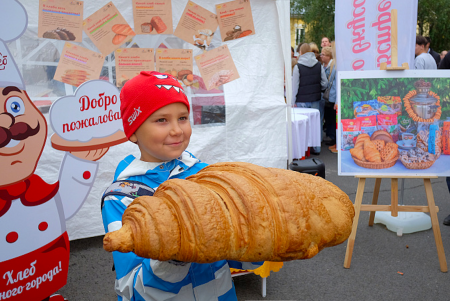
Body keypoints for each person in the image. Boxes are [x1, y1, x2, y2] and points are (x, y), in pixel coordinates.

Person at [101, 71, 262, 301]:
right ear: (134, 132)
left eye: (183, 118)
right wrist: (176, 253)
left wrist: (256, 237)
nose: (177, 130)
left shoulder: (207, 175)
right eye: (161, 120)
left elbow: (235, 254)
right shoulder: (121, 198)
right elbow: (132, 290)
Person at [292, 43, 328, 155]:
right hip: (315, 99)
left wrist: (292, 101)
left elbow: (295, 86)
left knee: (303, 125)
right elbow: (325, 83)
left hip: (301, 100)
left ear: (301, 52)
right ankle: (316, 148)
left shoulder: (298, 67)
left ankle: (303, 148)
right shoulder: (318, 65)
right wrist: (319, 89)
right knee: (315, 124)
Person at [321, 46, 337, 151]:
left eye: (323, 54)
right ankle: (331, 136)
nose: (321, 56)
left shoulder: (333, 65)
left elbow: (333, 82)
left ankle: (333, 137)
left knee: (331, 117)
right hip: (329, 95)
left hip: (332, 95)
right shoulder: (325, 65)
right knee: (329, 116)